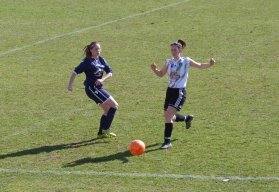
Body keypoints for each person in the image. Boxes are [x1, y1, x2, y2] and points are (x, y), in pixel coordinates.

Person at [150, 39, 215, 149]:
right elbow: (161, 74)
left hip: (179, 92)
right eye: (171, 50)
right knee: (168, 116)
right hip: (169, 91)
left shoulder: (186, 61)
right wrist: (154, 69)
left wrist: (210, 64)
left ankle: (167, 142)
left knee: (168, 115)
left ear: (180, 50)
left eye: (175, 49)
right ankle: (186, 118)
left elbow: (200, 66)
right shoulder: (168, 62)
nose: (173, 52)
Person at [67, 41, 118, 138]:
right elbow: (75, 72)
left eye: (99, 49)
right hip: (91, 88)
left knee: (107, 110)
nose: (98, 51)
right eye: (96, 49)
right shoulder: (86, 62)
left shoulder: (101, 59)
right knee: (114, 106)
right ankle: (106, 129)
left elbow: (110, 72)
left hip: (99, 88)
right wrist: (70, 84)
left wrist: (103, 79)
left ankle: (101, 133)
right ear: (91, 50)